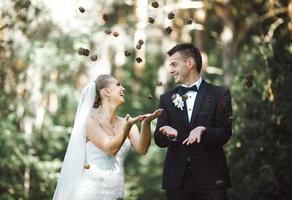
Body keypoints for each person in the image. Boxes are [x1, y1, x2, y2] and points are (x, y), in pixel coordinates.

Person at [53, 74, 162, 200]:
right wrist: (127, 126)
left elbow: (142, 149)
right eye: (118, 85)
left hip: (116, 191)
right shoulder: (89, 122)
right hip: (91, 191)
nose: (123, 89)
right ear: (106, 92)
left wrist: (146, 123)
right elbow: (110, 149)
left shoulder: (128, 124)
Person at [154, 43, 232, 200]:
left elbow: (225, 133)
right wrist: (168, 134)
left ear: (190, 63)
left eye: (174, 64)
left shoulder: (220, 94)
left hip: (211, 179)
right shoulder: (166, 99)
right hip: (177, 181)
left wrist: (205, 131)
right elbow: (158, 139)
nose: (171, 70)